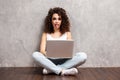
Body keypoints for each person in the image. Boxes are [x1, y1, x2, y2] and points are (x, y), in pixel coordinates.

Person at [32, 7, 87, 76]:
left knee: (83, 56)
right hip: (49, 60)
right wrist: (50, 54)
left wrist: (65, 54)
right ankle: (62, 71)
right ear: (50, 20)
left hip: (64, 60)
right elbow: (42, 51)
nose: (57, 21)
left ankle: (51, 70)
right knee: (35, 55)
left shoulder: (67, 33)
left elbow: (69, 50)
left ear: (62, 21)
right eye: (54, 19)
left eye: (59, 19)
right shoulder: (45, 33)